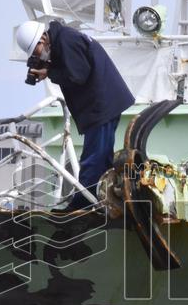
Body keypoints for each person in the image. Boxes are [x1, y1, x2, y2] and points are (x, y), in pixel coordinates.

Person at [15, 19, 135, 209]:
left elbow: (78, 75)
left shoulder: (66, 40)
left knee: (93, 158)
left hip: (101, 105)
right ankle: (101, 201)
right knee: (101, 156)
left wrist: (49, 72)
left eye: (36, 51)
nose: (38, 56)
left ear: (42, 40)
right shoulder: (63, 39)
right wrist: (49, 67)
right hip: (102, 103)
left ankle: (82, 206)